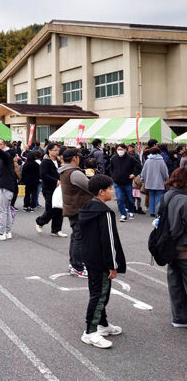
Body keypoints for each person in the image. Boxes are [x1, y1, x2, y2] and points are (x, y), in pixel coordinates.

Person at [79, 174, 126, 348]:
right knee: (99, 296)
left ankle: (103, 324)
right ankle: (90, 332)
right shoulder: (105, 212)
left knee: (99, 293)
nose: (112, 191)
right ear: (101, 192)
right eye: (110, 189)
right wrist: (113, 265)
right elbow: (109, 241)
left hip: (90, 257)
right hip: (101, 261)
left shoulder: (87, 207)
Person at [158, 167, 187, 328]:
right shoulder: (184, 200)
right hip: (184, 248)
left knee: (175, 285)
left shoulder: (167, 196)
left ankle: (179, 318)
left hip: (168, 248)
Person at [59, 148, 93, 277]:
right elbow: (90, 187)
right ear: (75, 158)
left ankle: (74, 263)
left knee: (76, 237)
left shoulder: (64, 170)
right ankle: (77, 266)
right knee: (79, 238)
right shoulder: (74, 172)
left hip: (72, 207)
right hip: (78, 208)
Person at [35, 143, 67, 238]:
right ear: (49, 151)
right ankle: (40, 221)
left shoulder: (58, 161)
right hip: (48, 188)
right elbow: (43, 175)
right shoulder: (45, 162)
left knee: (59, 208)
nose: (57, 152)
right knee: (50, 208)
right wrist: (56, 181)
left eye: (58, 150)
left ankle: (56, 230)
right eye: (55, 150)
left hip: (59, 188)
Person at [0, 139, 16, 241]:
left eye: (0, 144)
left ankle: (1, 233)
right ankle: (8, 232)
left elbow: (6, 156)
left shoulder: (7, 154)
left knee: (3, 210)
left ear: (4, 145)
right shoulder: (5, 155)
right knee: (7, 210)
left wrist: (0, 152)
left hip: (6, 186)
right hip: (6, 185)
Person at [109, 143, 142, 223]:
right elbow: (110, 168)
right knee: (120, 199)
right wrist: (113, 176)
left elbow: (139, 166)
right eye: (118, 149)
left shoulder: (130, 158)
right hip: (117, 183)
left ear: (125, 150)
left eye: (121, 149)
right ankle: (123, 214)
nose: (119, 151)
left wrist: (134, 174)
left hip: (127, 182)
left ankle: (131, 211)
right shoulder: (113, 158)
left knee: (130, 199)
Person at [141, 147, 169, 216]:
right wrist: (166, 179)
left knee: (151, 196)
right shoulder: (161, 161)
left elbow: (143, 172)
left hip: (149, 182)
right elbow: (165, 172)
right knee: (158, 196)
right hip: (159, 182)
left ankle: (152, 212)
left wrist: (143, 179)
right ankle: (157, 212)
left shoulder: (148, 161)